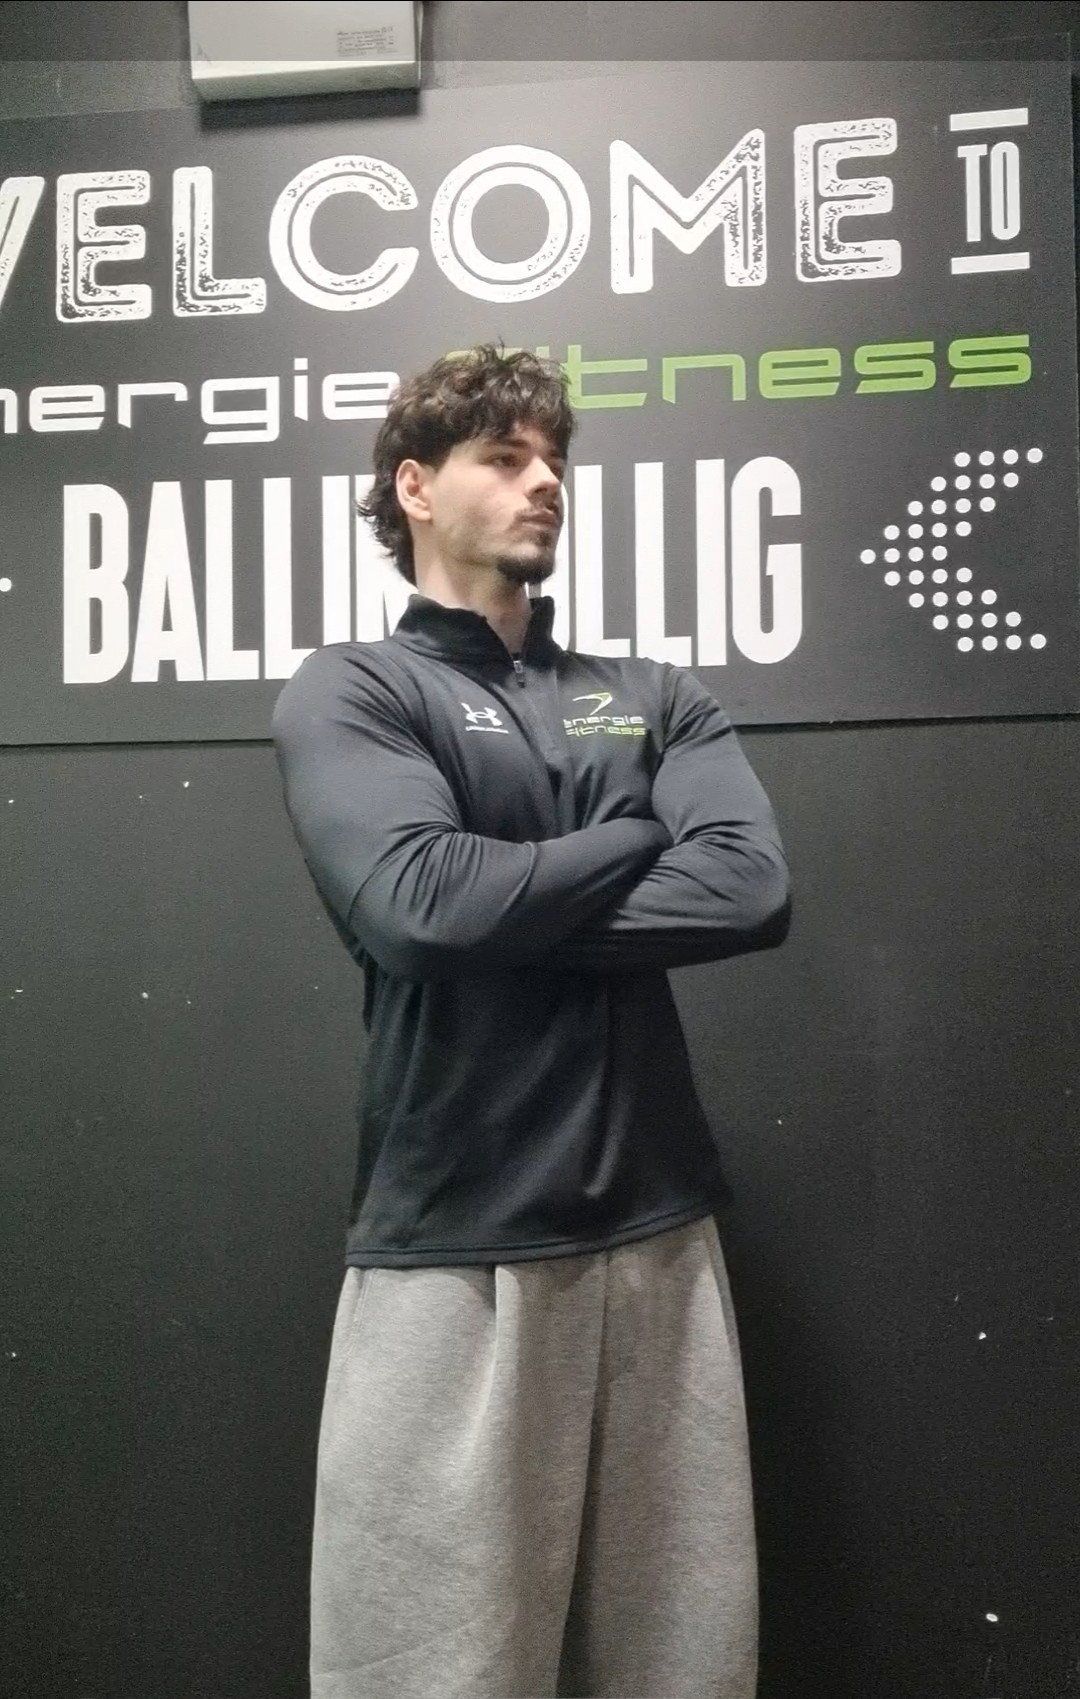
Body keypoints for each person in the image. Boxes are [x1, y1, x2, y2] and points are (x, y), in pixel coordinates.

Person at [271, 344, 791, 1699]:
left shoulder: (647, 693)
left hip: (658, 1236)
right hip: (455, 1244)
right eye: (504, 457)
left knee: (680, 1665)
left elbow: (749, 887)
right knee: (430, 1674)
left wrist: (505, 904)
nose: (545, 480)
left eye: (554, 458)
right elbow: (421, 910)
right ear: (416, 487)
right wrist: (633, 835)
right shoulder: (358, 688)